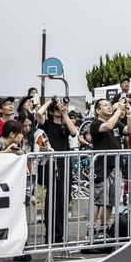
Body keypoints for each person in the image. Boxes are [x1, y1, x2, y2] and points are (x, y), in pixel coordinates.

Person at [89, 97, 131, 242]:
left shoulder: (116, 123)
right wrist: (118, 109)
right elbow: (107, 126)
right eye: (105, 105)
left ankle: (105, 228)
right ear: (97, 110)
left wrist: (129, 114)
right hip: (102, 165)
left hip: (116, 165)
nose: (109, 107)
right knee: (99, 199)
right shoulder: (95, 124)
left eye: (109, 105)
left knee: (111, 201)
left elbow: (129, 129)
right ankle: (90, 229)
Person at [36, 96, 78, 246]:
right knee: (51, 201)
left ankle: (60, 236)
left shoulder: (65, 126)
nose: (59, 109)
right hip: (52, 166)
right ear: (52, 111)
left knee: (63, 201)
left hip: (65, 165)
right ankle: (51, 236)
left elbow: (74, 132)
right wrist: (51, 100)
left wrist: (65, 113)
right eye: (57, 108)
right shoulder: (47, 125)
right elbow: (39, 113)